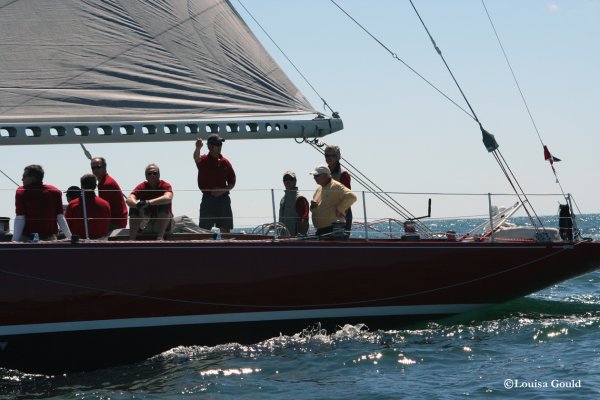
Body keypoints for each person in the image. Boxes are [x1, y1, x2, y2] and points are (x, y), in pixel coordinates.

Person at [12, 164, 71, 241]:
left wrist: (14, 241)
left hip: (27, 239)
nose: (22, 179)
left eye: (24, 176)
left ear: (32, 178)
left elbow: (20, 218)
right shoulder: (55, 191)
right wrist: (70, 237)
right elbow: (60, 217)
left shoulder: (21, 192)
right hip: (50, 239)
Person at [193, 134, 236, 233]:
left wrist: (223, 190)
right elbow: (196, 158)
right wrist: (198, 148)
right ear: (209, 146)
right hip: (208, 199)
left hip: (224, 200)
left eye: (220, 144)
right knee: (204, 229)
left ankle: (225, 248)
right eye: (217, 144)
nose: (220, 146)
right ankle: (206, 248)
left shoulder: (225, 162)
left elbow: (232, 182)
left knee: (225, 228)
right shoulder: (203, 160)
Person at [126, 164, 173, 240]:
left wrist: (148, 203)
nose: (152, 175)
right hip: (145, 222)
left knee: (164, 205)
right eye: (149, 173)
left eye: (155, 173)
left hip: (163, 224)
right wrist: (138, 205)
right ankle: (132, 239)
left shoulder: (165, 185)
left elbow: (168, 197)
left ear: (159, 175)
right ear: (146, 176)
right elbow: (129, 200)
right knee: (133, 208)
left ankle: (160, 237)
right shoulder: (142, 186)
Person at [309, 164, 357, 237]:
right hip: (321, 230)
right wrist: (312, 207)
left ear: (325, 175)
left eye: (316, 175)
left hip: (332, 230)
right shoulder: (318, 189)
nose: (314, 178)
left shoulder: (336, 186)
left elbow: (352, 197)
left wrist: (340, 209)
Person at [65, 174, 111, 239]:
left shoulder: (72, 205)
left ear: (81, 186)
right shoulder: (105, 204)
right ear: (95, 186)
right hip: (101, 243)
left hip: (78, 244)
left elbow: (67, 225)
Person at [90, 157, 128, 230]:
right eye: (93, 168)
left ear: (105, 167)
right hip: (118, 221)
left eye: (98, 167)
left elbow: (103, 209)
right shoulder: (104, 182)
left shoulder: (107, 184)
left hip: (115, 223)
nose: (95, 170)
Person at [324, 145, 353, 232]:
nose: (329, 158)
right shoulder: (324, 173)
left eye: (332, 155)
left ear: (338, 157)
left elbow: (348, 197)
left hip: (341, 216)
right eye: (327, 155)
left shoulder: (343, 174)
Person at [278, 171, 309, 236]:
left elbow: (305, 219)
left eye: (290, 179)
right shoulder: (283, 199)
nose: (287, 181)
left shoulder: (300, 198)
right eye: (285, 179)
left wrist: (301, 237)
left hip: (295, 239)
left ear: (295, 181)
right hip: (284, 237)